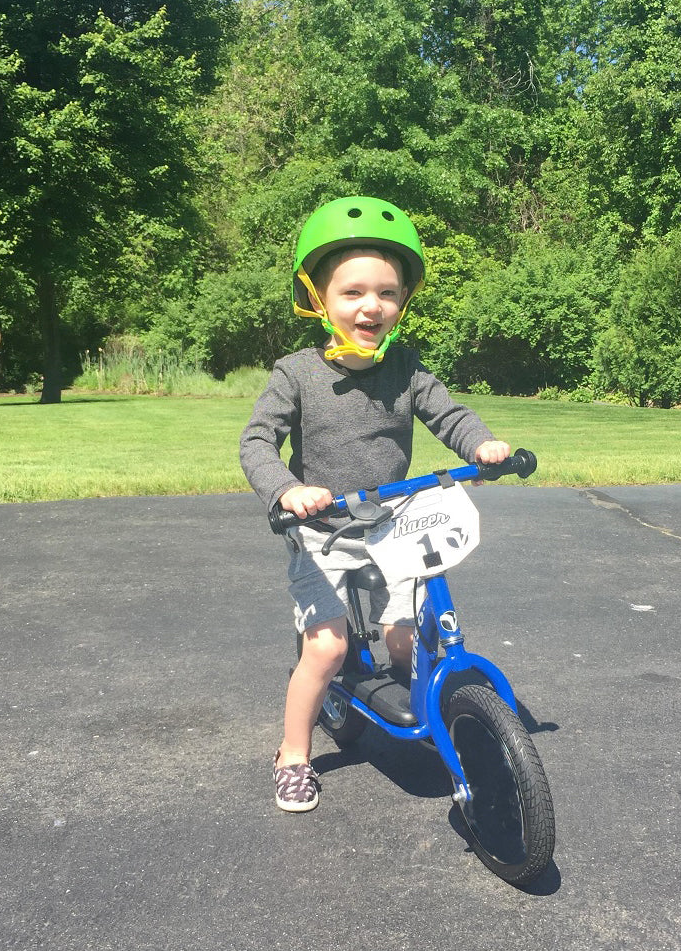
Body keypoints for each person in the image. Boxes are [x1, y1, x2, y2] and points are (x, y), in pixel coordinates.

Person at [240, 196, 510, 812]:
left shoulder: (409, 370)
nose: (372, 306)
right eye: (353, 292)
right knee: (328, 649)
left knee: (405, 637)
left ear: (402, 302)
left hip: (391, 518)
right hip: (322, 527)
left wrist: (483, 444)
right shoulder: (296, 373)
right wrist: (287, 489)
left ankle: (435, 718)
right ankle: (293, 754)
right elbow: (257, 441)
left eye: (387, 293)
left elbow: (450, 414)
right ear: (317, 297)